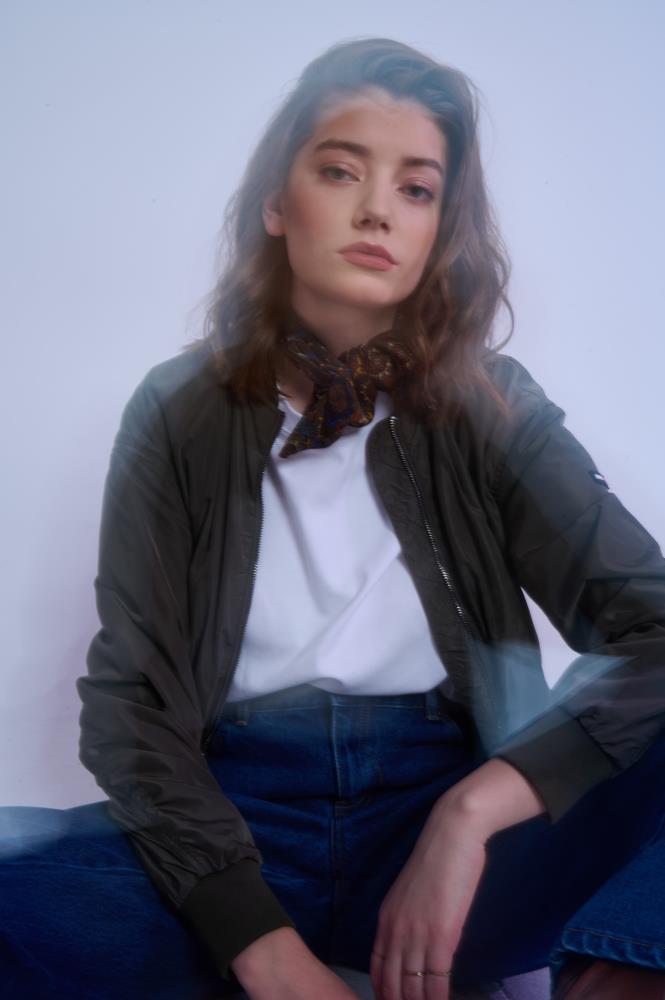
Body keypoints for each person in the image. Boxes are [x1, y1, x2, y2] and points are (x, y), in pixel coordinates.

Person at [1, 35, 665, 1000]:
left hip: (438, 830)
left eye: (415, 189)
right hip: (229, 835)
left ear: (440, 228)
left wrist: (470, 815)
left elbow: (652, 629)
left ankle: (607, 977)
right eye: (339, 170)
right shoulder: (180, 410)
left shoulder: (490, 405)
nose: (373, 211)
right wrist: (262, 948)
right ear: (278, 202)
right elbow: (132, 706)